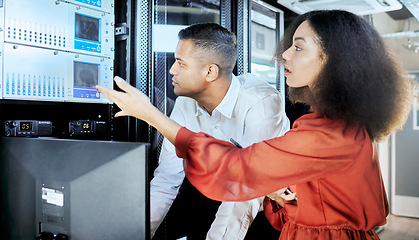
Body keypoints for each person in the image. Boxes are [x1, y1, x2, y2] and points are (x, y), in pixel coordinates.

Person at [96, 10, 414, 240]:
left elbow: (239, 172)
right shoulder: (322, 123)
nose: (284, 55)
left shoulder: (327, 131)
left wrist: (152, 115)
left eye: (299, 47)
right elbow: (307, 194)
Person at [148, 23, 290, 239]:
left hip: (266, 209)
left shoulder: (261, 101)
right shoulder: (185, 103)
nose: (172, 70)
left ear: (210, 71)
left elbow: (248, 190)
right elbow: (167, 178)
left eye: (180, 63)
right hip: (211, 198)